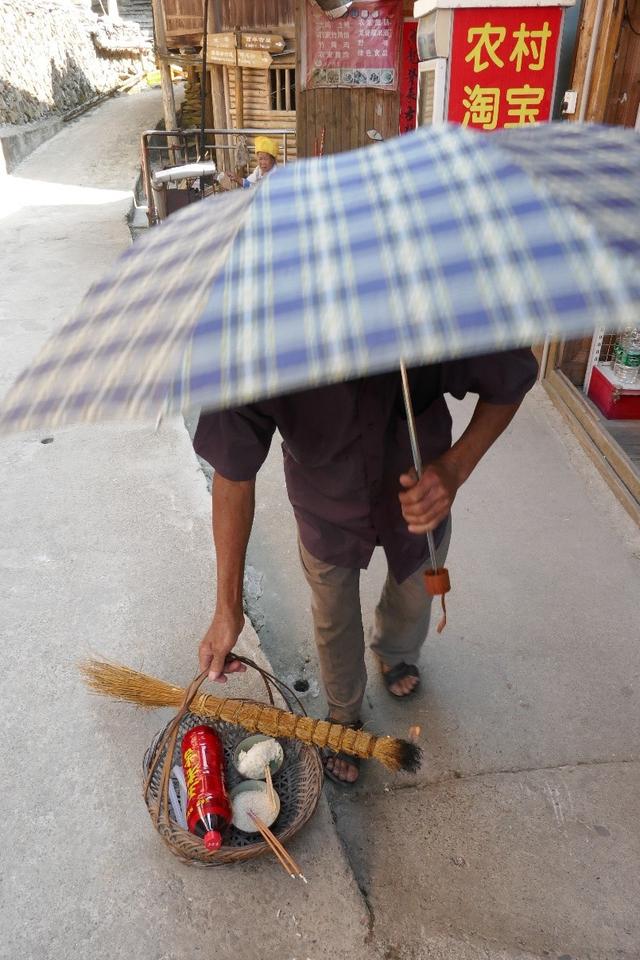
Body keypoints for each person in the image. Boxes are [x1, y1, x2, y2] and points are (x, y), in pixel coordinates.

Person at [193, 351, 538, 784]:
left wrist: (454, 467)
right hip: (325, 503)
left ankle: (394, 653)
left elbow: (512, 379)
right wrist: (227, 607)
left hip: (420, 494)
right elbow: (233, 476)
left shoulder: (426, 303)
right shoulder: (257, 344)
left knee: (416, 592)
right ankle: (343, 715)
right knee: (334, 615)